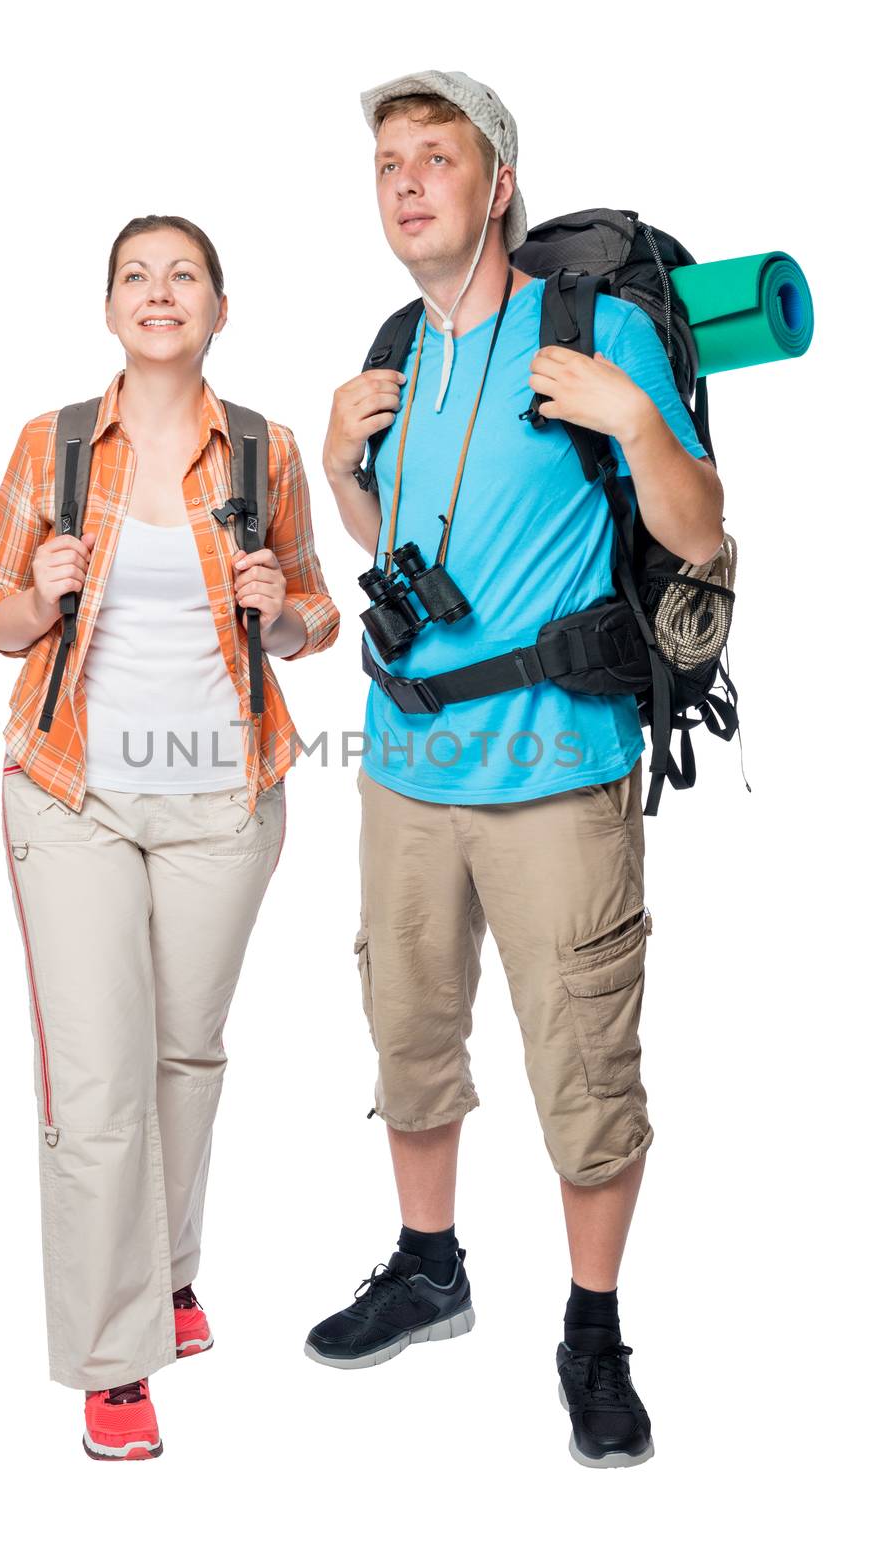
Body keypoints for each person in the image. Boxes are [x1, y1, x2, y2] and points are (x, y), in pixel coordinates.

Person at [305, 72, 723, 1469]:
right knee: (409, 1034)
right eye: (388, 163)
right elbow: (394, 551)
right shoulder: (393, 352)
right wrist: (339, 466)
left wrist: (638, 420)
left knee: (586, 1071)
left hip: (557, 777)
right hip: (407, 769)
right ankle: (431, 1268)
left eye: (438, 158)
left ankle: (592, 1332)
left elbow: (702, 531)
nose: (409, 182)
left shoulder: (594, 331)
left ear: (498, 188)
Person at [0, 214, 339, 1460]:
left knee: (183, 1056)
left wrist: (282, 609)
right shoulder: (56, 444)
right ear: (109, 306)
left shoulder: (265, 452)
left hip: (225, 797)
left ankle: (167, 1270)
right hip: (73, 793)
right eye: (137, 274)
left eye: (185, 276)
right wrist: (37, 596)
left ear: (220, 309)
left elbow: (318, 621)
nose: (159, 292)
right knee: (101, 1077)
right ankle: (118, 1359)